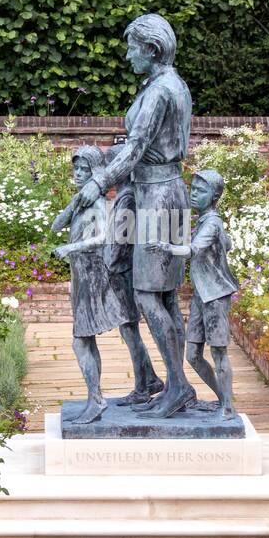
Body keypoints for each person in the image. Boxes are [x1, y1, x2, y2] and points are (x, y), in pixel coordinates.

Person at [72, 13, 196, 419]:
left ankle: (177, 386)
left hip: (158, 198)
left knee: (148, 293)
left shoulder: (162, 90)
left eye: (131, 48)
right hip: (159, 193)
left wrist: (99, 181)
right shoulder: (166, 86)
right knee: (162, 296)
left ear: (152, 50)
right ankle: (161, 384)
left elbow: (137, 148)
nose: (126, 56)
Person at [149, 169, 240, 421]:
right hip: (202, 295)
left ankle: (229, 408)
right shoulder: (207, 222)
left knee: (218, 352)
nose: (194, 194)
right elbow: (227, 242)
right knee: (192, 356)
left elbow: (194, 249)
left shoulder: (211, 222)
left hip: (216, 297)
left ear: (214, 196)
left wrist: (166, 247)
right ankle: (222, 399)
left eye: (201, 191)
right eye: (193, 188)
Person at [51, 146, 128, 424]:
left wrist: (70, 248)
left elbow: (104, 237)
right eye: (76, 169)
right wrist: (73, 203)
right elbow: (55, 226)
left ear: (95, 172)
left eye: (85, 170)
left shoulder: (98, 204)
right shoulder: (83, 200)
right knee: (83, 340)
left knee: (81, 340)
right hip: (80, 274)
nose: (79, 174)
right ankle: (95, 397)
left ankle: (96, 399)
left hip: (92, 274)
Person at [104, 147, 165, 406]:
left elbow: (120, 242)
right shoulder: (125, 195)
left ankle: (143, 387)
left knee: (130, 330)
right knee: (129, 330)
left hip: (123, 272)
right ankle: (149, 378)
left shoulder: (127, 197)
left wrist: (106, 265)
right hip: (123, 270)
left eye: (111, 165)